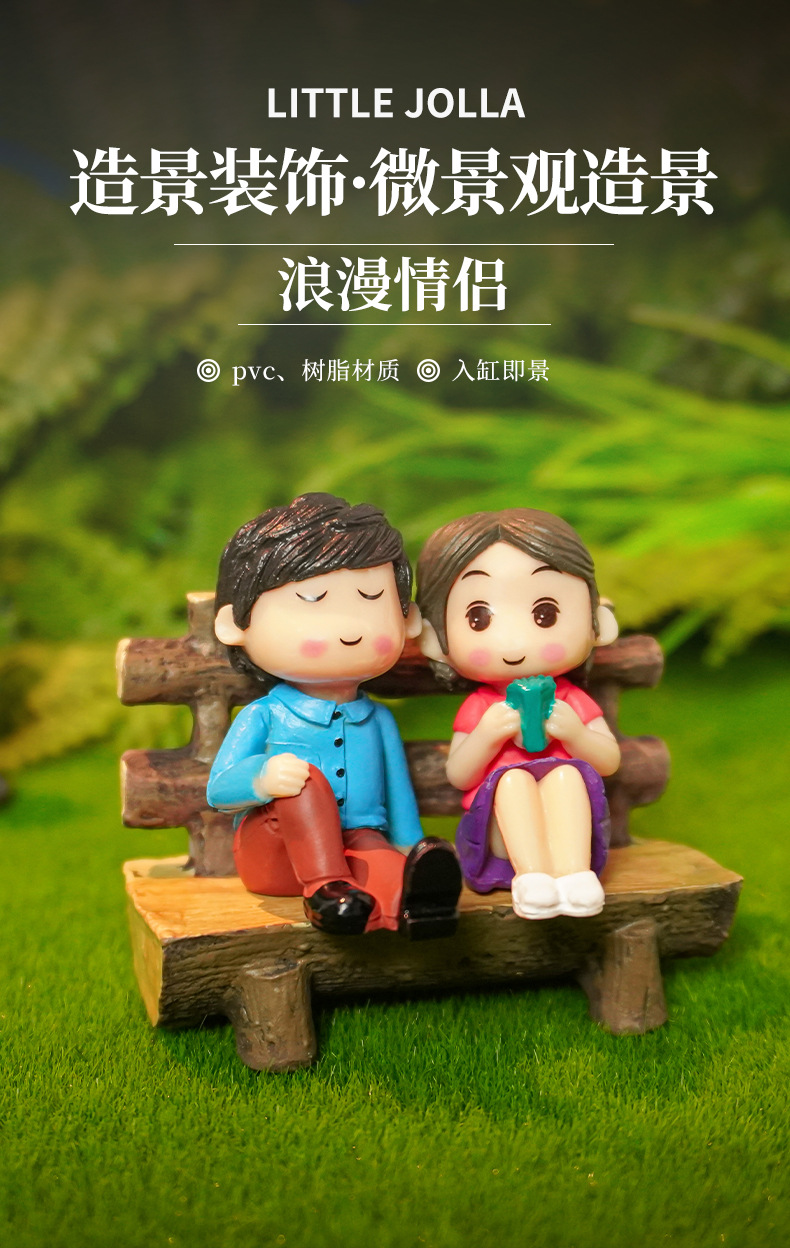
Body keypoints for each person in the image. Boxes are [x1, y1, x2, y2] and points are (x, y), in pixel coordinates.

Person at [207, 492, 461, 938]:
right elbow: (218, 789)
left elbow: (398, 794)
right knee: (303, 782)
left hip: (359, 842)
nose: (349, 630)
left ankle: (413, 905)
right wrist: (263, 777)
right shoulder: (264, 714)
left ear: (407, 620)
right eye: (313, 600)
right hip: (276, 852)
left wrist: (409, 845)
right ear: (235, 624)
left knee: (386, 868)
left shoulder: (377, 719)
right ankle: (324, 889)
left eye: (371, 597)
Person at [417, 507, 621, 921]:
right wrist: (485, 736)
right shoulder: (481, 707)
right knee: (512, 780)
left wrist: (577, 736)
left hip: (569, 828)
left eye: (545, 614)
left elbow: (609, 761)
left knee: (566, 775)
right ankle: (532, 877)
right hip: (499, 833)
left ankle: (574, 874)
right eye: (479, 618)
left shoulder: (570, 700)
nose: (514, 643)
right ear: (436, 640)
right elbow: (459, 775)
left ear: (597, 623)